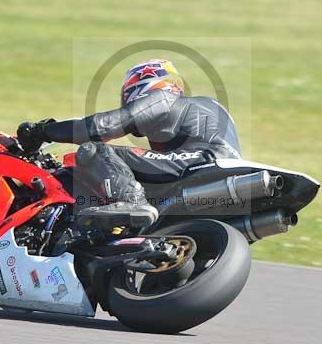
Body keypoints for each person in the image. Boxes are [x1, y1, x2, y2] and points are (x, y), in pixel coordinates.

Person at [17, 58, 241, 231]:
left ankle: (130, 203)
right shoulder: (198, 110)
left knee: (94, 150)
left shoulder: (164, 99)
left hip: (202, 160)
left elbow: (101, 128)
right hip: (218, 172)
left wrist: (42, 131)